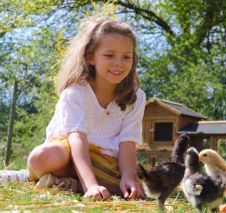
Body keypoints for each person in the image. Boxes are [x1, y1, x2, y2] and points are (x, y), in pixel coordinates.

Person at [5, 16, 146, 200]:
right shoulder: (76, 93)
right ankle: (80, 183)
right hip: (69, 156)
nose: (118, 62)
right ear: (90, 56)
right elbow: (77, 140)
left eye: (126, 56)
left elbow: (127, 142)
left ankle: (65, 184)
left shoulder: (136, 97)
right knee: (40, 157)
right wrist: (91, 185)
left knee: (137, 184)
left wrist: (128, 177)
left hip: (108, 164)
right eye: (109, 55)